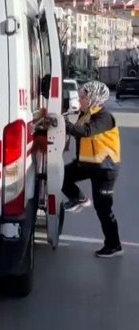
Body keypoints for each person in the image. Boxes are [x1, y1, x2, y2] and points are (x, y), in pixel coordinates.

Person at [62, 80, 123, 258]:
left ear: (95, 98)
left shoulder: (104, 117)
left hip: (105, 168)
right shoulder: (86, 114)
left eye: (83, 97)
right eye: (80, 96)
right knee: (63, 175)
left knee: (103, 208)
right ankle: (79, 198)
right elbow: (77, 134)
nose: (80, 99)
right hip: (88, 163)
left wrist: (65, 124)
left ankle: (114, 245)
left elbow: (86, 132)